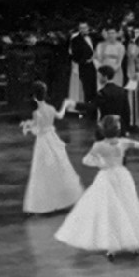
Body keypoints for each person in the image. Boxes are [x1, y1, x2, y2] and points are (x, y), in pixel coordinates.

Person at [54, 116, 139, 260]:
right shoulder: (122, 143)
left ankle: (113, 245)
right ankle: (129, 242)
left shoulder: (99, 145)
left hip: (108, 177)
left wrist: (100, 164)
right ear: (117, 129)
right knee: (126, 207)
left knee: (112, 210)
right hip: (121, 176)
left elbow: (86, 160)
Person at [21, 83, 83, 216]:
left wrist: (27, 128)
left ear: (34, 97)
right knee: (58, 167)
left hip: (43, 141)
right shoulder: (50, 108)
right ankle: (62, 200)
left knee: (41, 171)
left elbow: (38, 130)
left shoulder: (36, 112)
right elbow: (59, 116)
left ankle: (43, 204)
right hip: (53, 139)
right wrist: (65, 105)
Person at [67, 22, 97, 114]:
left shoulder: (92, 37)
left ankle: (95, 109)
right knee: (87, 89)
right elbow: (73, 55)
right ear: (79, 29)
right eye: (81, 28)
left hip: (95, 65)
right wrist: (85, 60)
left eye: (85, 28)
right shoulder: (75, 39)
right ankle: (89, 111)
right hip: (84, 66)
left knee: (94, 88)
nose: (84, 30)